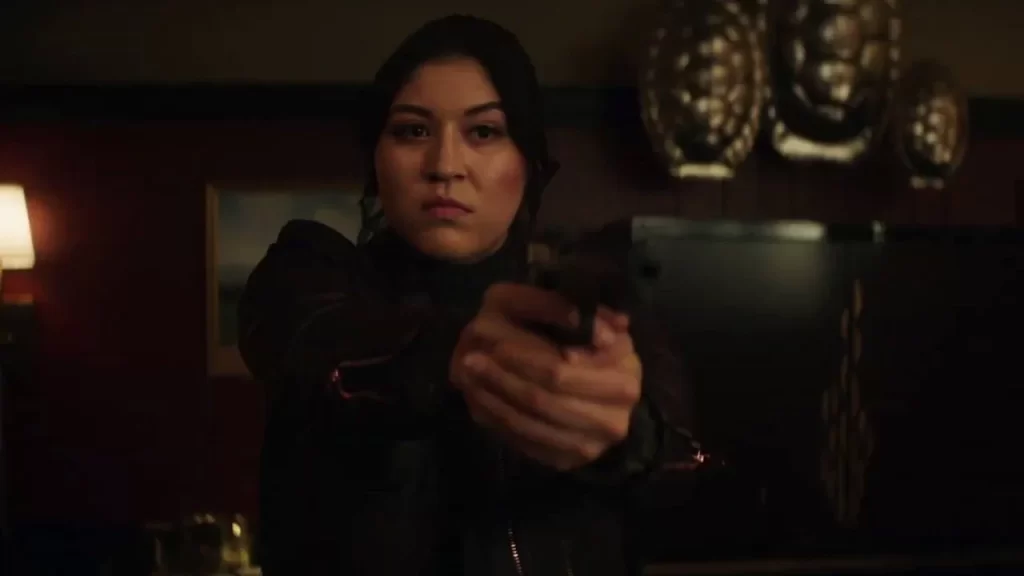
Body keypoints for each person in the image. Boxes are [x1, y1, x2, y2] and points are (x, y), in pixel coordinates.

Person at [238, 14, 693, 576]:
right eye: (413, 131)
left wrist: (627, 438)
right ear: (376, 157)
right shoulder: (308, 271)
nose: (445, 166)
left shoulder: (601, 305)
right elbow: (317, 350)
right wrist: (463, 356)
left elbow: (690, 468)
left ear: (527, 162)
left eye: (484, 132)